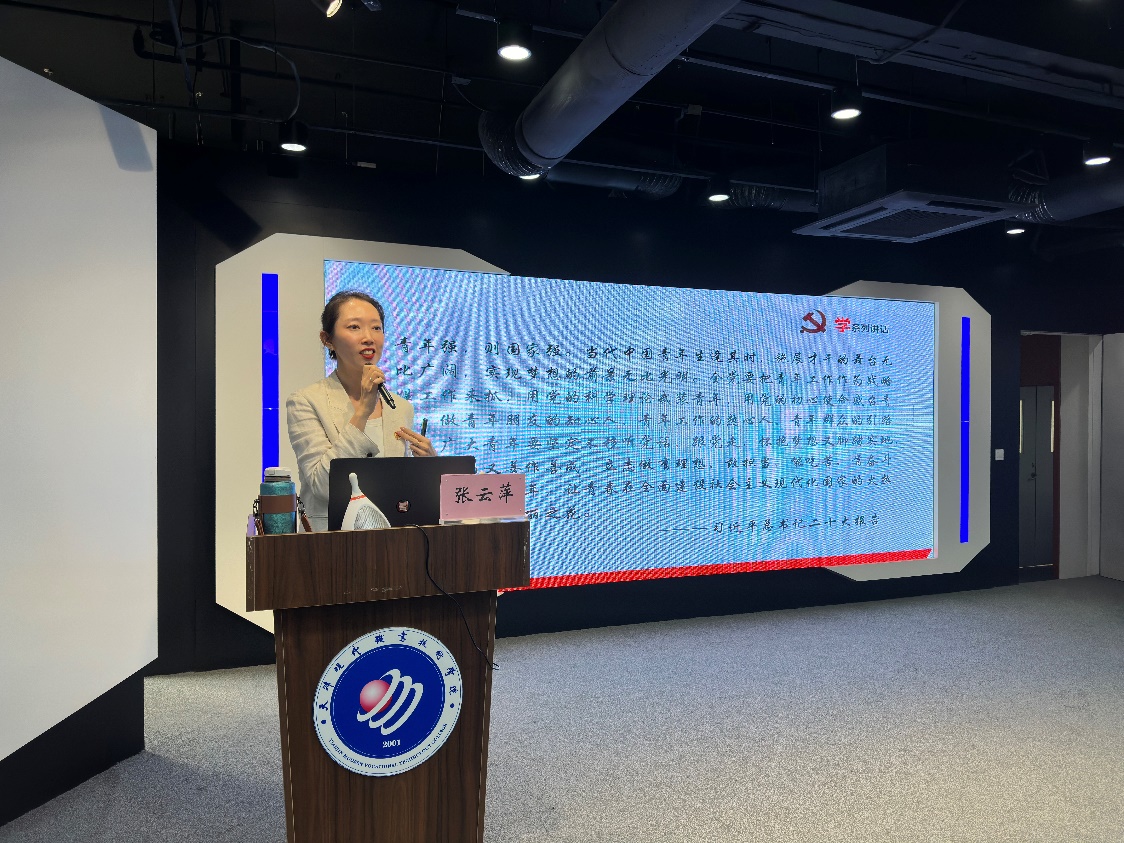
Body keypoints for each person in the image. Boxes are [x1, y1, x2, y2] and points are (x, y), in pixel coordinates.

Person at [286, 290, 435, 530]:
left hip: (391, 538)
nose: (368, 338)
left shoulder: (400, 408)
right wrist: (362, 411)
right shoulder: (306, 401)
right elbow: (323, 486)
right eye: (354, 327)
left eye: (376, 328)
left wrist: (428, 467)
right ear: (327, 339)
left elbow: (399, 490)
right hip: (331, 539)